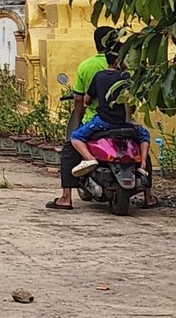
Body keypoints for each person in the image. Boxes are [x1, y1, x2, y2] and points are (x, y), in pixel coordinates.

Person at [46, 25, 117, 211]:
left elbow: (80, 100)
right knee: (141, 143)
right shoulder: (125, 66)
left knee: (70, 150)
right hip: (121, 121)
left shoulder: (88, 66)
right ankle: (149, 196)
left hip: (96, 120)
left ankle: (66, 197)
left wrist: (78, 117)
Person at [69, 44, 153, 184]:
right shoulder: (125, 77)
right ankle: (143, 163)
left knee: (76, 137)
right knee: (144, 135)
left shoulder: (99, 76)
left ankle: (89, 159)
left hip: (103, 122)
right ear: (118, 61)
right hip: (123, 122)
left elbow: (87, 100)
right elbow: (131, 102)